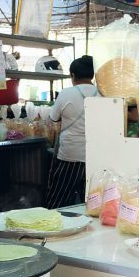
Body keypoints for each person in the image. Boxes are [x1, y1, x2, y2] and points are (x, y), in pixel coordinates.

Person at [45, 55, 97, 209]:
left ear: (73, 75)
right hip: (94, 157)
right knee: (90, 202)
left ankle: (53, 228)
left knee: (59, 199)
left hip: (69, 156)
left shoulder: (66, 93)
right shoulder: (102, 93)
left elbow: (53, 119)